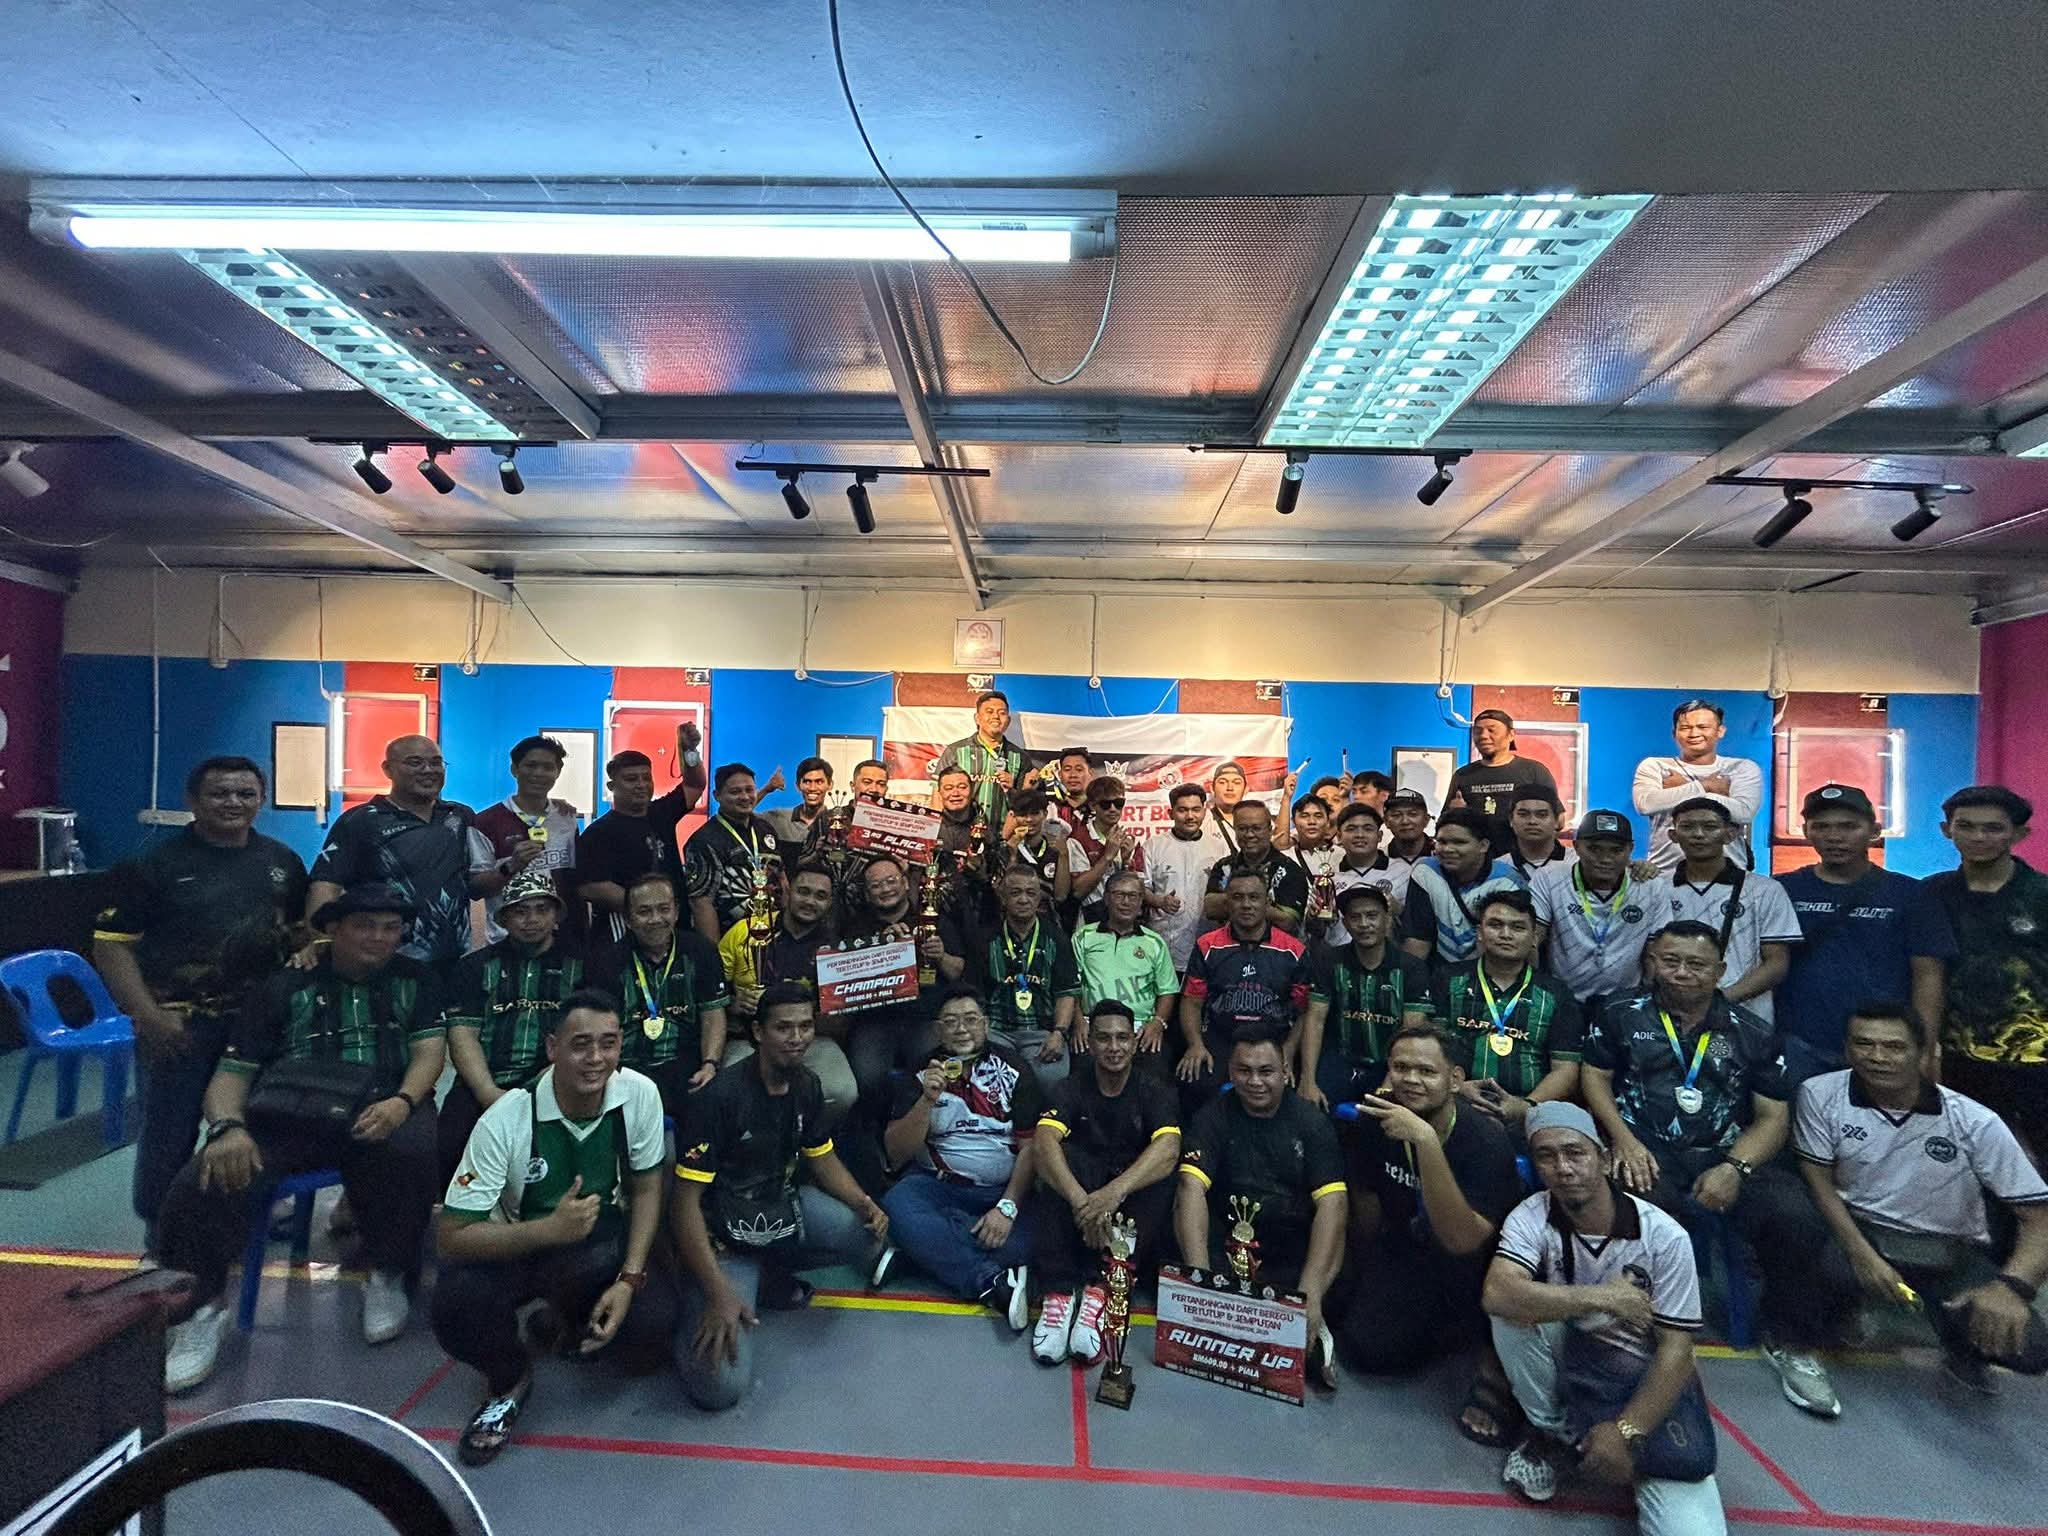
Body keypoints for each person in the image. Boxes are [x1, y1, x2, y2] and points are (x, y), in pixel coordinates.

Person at [158, 885, 445, 1392]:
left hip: (379, 1102)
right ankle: (200, 1309)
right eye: (364, 926)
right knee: (204, 1177)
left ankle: (388, 1270)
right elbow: (232, 1074)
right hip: (289, 1112)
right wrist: (227, 1128)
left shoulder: (417, 980)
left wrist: (402, 1102)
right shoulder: (284, 985)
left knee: (412, 1152)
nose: (379, 938)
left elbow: (428, 1055)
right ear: (332, 930)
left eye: (390, 928)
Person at [1581, 922, 1837, 1419]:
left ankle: (1790, 1340)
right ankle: (1634, 1329)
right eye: (1670, 961)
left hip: (1724, 1154)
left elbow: (1773, 1118)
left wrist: (1735, 1168)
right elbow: (1595, 1077)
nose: (1681, 973)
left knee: (1797, 1216)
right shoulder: (1618, 1013)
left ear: (1719, 971)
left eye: (1696, 964)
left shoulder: (1752, 1032)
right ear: (1653, 963)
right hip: (1646, 1149)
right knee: (1634, 1205)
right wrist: (1622, 1140)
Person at [433, 990, 676, 1466]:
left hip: (599, 1247)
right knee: (455, 1304)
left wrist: (628, 1280)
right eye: (580, 1044)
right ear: (552, 1048)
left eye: (608, 1043)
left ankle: (563, 1321)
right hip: (521, 1246)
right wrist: (548, 1231)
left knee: (653, 1329)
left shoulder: (640, 1094)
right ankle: (509, 1380)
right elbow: (452, 1235)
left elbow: (648, 1189)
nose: (596, 1058)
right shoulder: (507, 1118)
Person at [93, 756, 307, 1246]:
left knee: (255, 1125)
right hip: (181, 1027)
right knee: (169, 1133)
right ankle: (162, 1235)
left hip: (260, 1029)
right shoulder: (153, 865)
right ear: (192, 800)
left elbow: (298, 935)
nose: (233, 802)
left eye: (245, 793)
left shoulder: (282, 862)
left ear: (261, 799)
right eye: (219, 793)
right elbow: (111, 946)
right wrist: (147, 1015)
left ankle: (243, 1217)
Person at [1484, 1102, 1728, 1530]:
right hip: (1574, 1362)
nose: (1563, 1168)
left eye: (1575, 1152)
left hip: (1637, 1378)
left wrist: (1626, 1431)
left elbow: (1677, 1351)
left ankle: (1615, 1444)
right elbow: (1497, 1294)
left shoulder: (1664, 1236)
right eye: (1546, 1156)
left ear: (1604, 1157)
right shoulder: (1532, 1214)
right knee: (1512, 1312)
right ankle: (1553, 1433)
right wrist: (1604, 1298)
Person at [1791, 1003, 2048, 1398]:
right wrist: (1863, 1256)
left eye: (1894, 1047)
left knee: (2031, 1348)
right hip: (1863, 1235)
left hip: (1947, 1253)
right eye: (1864, 1044)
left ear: (1923, 1052)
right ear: (1846, 1049)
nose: (1877, 1057)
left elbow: (2040, 1217)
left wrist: (2012, 1288)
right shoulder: (1820, 1094)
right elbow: (1818, 1181)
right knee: (1819, 1257)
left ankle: (1961, 1343)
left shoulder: (1975, 1122)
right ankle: (1849, 1311)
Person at [671, 984, 891, 1412]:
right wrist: (717, 1291)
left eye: (806, 1026)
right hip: (723, 1239)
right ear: (758, 1032)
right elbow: (684, 1207)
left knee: (868, 1237)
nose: (797, 1037)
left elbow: (821, 1157)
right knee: (720, 1387)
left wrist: (863, 1201)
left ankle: (767, 1274)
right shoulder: (719, 1099)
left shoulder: (807, 1084)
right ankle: (698, 1301)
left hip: (777, 1207)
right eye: (784, 1028)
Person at [1338, 1025, 1526, 1445]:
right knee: (1357, 1340)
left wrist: (1425, 1141)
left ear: (1455, 1080)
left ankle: (1478, 1342)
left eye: (1426, 1071)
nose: (1410, 1079)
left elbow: (1462, 1240)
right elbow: (1365, 1206)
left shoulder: (1485, 1142)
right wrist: (1360, 1275)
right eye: (1400, 1068)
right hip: (1405, 1247)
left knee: (1383, 1350)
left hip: (1468, 1268)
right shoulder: (1375, 1120)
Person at [1176, 1030, 1346, 1385]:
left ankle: (1313, 1322)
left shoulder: (1313, 1124)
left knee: (1333, 1259)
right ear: (1230, 1071)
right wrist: (1198, 1282)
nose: (1254, 1081)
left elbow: (1333, 1205)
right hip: (1228, 1243)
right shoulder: (1211, 1117)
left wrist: (1310, 1293)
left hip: (1290, 1246)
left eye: (1265, 1071)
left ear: (1285, 1071)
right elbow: (1191, 1187)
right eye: (1244, 1071)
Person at [1028, 1000, 1182, 1366]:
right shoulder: (1070, 1087)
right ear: (1091, 1044)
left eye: (1122, 1038)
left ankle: (1101, 1291)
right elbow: (1044, 1140)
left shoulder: (1154, 1089)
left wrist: (1112, 1196)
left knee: (1159, 1175)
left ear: (1134, 1041)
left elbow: (1169, 1148)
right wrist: (1083, 1203)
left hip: (1124, 1199)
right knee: (1053, 1161)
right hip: (1083, 1194)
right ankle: (1059, 1295)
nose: (1114, 1047)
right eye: (1104, 1038)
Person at [882, 985, 1043, 1327]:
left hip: (1001, 1193)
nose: (961, 1029)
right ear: (937, 1030)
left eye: (970, 1019)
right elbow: (896, 1154)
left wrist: (1007, 1208)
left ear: (986, 1024)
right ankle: (991, 1281)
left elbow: (1031, 1147)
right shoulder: (919, 1072)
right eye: (951, 1021)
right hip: (938, 1188)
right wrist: (926, 1100)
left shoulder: (1014, 1068)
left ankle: (921, 1252)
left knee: (1042, 1233)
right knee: (897, 1202)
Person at [1776, 783, 1955, 1084]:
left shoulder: (1911, 894)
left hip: (1883, 1048)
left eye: (1849, 826)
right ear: (1806, 832)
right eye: (1821, 827)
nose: (1834, 837)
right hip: (1799, 1044)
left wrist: (1924, 1049)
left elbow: (1928, 975)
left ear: (1874, 831)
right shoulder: (1781, 890)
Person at [439, 864, 586, 1180]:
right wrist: (489, 1093)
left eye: (542, 909)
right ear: (503, 919)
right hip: (484, 1083)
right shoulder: (473, 967)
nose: (532, 919)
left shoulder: (582, 965)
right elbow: (463, 1036)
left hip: (557, 1080)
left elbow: (587, 1033)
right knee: (448, 1147)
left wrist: (552, 1080)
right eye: (520, 911)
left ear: (556, 916)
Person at [1926, 785, 2048, 1153]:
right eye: (1966, 826)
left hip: (2039, 1060)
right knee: (1968, 1161)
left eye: (1993, 828)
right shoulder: (1931, 895)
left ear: (2019, 833)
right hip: (1959, 1059)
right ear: (1947, 830)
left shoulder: (2042, 895)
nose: (1978, 837)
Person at [306, 734, 495, 972]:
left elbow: (475, 882)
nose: (428, 770)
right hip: (383, 961)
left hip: (453, 961)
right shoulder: (361, 820)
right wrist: (320, 941)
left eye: (436, 763)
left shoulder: (460, 816)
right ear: (387, 769)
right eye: (415, 762)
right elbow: (326, 883)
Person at [717, 862, 857, 1127]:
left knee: (842, 1092)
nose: (810, 901)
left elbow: (840, 1022)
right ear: (787, 890)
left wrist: (814, 1018)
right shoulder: (745, 931)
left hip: (810, 1042)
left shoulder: (836, 950)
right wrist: (733, 1003)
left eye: (820, 896)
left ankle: (807, 1140)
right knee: (731, 1092)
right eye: (803, 891)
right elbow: (710, 992)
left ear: (830, 903)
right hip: (749, 1040)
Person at [1436, 890, 1584, 1130]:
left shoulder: (1556, 993)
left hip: (1529, 1112)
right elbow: (1430, 1048)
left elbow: (1565, 1069)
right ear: (1480, 933)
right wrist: (1457, 1087)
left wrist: (1525, 1106)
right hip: (1454, 1102)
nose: (1506, 934)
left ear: (1534, 937)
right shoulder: (1448, 979)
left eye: (1518, 927)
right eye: (1495, 925)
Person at [588, 872, 730, 1120]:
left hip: (687, 1065)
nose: (655, 919)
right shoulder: (607, 961)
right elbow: (600, 1028)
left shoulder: (700, 951)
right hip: (628, 1069)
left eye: (663, 909)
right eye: (644, 912)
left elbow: (713, 1014)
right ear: (628, 919)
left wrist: (710, 1064)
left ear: (676, 912)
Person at [1660, 797, 1800, 1025]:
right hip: (1670, 1016)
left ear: (1730, 834)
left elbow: (1777, 963)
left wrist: (1720, 1000)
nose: (1698, 834)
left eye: (1710, 827)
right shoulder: (1657, 888)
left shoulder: (1765, 890)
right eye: (1687, 827)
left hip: (1746, 1019)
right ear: (1673, 835)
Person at [1298, 885, 1436, 1110]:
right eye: (1355, 917)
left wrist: (1388, 1086)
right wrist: (1308, 1079)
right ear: (1345, 924)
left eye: (1372, 916)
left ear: (1387, 920)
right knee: (1312, 1108)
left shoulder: (1412, 968)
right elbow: (1315, 1019)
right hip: (1340, 1061)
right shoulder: (1329, 961)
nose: (1364, 924)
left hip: (1390, 1066)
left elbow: (1410, 1033)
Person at [1177, 871, 1311, 1102]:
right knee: (1194, 1080)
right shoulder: (1207, 945)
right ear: (1227, 903)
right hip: (1221, 1038)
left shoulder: (1293, 950)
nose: (1246, 905)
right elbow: (1192, 1002)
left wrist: (1288, 1051)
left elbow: (1303, 1011)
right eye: (1238, 897)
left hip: (1273, 1041)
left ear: (1267, 903)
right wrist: (1195, 1044)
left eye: (1254, 897)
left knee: (1288, 1090)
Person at [945, 863, 1082, 1087]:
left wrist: (1058, 1033)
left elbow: (1066, 993)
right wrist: (981, 1035)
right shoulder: (984, 938)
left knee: (1052, 1080)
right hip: (996, 1033)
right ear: (1003, 897)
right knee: (991, 1082)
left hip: (1041, 1033)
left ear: (1039, 898)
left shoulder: (1056, 938)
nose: (1023, 900)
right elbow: (974, 994)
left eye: (1030, 893)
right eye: (1015, 893)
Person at [1531, 811, 1667, 1019]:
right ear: (1576, 846)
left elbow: (1656, 952)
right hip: (1562, 1000)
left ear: (1630, 850)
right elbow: (1533, 939)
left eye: (1616, 850)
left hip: (1626, 1003)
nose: (1605, 859)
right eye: (1594, 849)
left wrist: (1650, 1006)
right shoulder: (1550, 878)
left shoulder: (1650, 886)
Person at [842, 854, 943, 1110]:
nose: (885, 889)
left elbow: (959, 970)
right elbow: (842, 984)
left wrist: (941, 956)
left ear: (906, 883)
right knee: (867, 1079)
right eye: (876, 885)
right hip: (874, 1021)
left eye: (891, 881)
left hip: (924, 1017)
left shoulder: (931, 919)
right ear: (867, 894)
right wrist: (880, 947)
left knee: (933, 1075)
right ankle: (874, 1131)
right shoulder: (853, 928)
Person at [576, 747, 691, 945]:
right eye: (631, 779)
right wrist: (646, 908)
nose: (641, 785)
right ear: (611, 786)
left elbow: (695, 785)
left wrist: (689, 750)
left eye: (646, 778)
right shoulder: (598, 833)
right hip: (623, 935)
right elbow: (589, 887)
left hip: (675, 928)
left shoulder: (661, 813)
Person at [1633, 700, 1763, 874]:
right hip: (1665, 873)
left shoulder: (1741, 768)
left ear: (1720, 731)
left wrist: (1684, 788)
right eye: (1685, 727)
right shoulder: (1655, 765)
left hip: (1729, 875)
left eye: (1703, 727)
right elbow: (1646, 804)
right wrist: (1705, 786)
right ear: (1674, 733)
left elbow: (1743, 813)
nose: (1694, 733)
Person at [473, 735, 580, 944]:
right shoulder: (486, 822)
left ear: (558, 772)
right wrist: (511, 866)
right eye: (531, 765)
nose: (538, 773)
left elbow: (573, 878)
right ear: (514, 769)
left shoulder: (566, 818)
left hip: (563, 938)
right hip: (507, 940)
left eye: (547, 767)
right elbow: (476, 889)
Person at [1070, 870, 1180, 1072]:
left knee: (1156, 1071)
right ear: (1106, 899)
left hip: (1140, 1029)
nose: (1126, 902)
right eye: (1119, 894)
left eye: (1133, 896)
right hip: (1094, 1026)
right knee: (1082, 1067)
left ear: (1141, 902)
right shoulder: (1083, 937)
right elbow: (1071, 987)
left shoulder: (1154, 942)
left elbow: (1167, 990)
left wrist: (1158, 1023)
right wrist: (1077, 1022)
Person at [1400, 808, 1524, 973]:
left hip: (1494, 972)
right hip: (1438, 974)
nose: (1448, 849)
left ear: (1483, 845)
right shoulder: (1425, 872)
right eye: (1442, 842)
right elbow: (1418, 939)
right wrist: (1406, 980)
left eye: (1459, 842)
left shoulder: (1507, 881)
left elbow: (1514, 944)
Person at [683, 762, 782, 946]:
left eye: (749, 790)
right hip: (729, 942)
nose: (745, 797)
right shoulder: (704, 840)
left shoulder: (766, 829)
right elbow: (701, 903)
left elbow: (782, 879)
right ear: (717, 796)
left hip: (774, 937)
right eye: (735, 792)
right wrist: (714, 955)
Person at [1447, 710, 1557, 855]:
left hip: (1522, 858)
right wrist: (1455, 813)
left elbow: (1558, 819)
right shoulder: (1462, 775)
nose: (1483, 736)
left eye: (1492, 730)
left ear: (1510, 735)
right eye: (1478, 731)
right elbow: (1447, 822)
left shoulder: (1533, 771)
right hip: (1476, 859)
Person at [1144, 783, 1227, 973]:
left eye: (1196, 809)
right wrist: (1159, 901)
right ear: (1170, 813)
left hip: (1208, 943)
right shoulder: (1153, 846)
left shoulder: (1218, 847)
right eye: (1182, 810)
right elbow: (1142, 888)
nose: (1190, 816)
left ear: (1204, 811)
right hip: (1163, 944)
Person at [1201, 801, 1310, 932]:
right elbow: (1211, 909)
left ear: (1270, 830)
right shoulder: (1224, 866)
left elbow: (1287, 922)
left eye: (1256, 828)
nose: (1249, 834)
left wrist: (1232, 899)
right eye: (1242, 828)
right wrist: (1263, 904)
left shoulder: (1290, 870)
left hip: (1274, 944)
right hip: (1228, 944)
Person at [934, 690, 1035, 830]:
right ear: (977, 718)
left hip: (1002, 836)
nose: (996, 717)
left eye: (1002, 713)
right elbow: (937, 794)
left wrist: (1012, 789)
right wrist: (935, 833)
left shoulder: (1020, 757)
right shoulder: (955, 751)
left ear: (1008, 720)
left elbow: (1026, 804)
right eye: (989, 711)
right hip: (959, 833)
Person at [1066, 775, 1147, 927]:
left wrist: (1126, 862)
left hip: (1125, 922)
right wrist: (1107, 857)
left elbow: (1140, 891)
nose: (1113, 809)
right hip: (1090, 921)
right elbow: (1078, 891)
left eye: (1119, 803)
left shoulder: (1129, 840)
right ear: (1092, 806)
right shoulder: (1078, 839)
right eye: (1105, 804)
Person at [1326, 802, 1396, 945]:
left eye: (1368, 829)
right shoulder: (1328, 877)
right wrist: (1315, 919)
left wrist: (1399, 910)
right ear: (1339, 836)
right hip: (1338, 956)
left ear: (1380, 836)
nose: (1359, 835)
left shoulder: (1404, 872)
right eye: (1351, 829)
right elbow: (1318, 930)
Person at [999, 786, 1073, 918]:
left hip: (1048, 919)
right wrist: (1012, 857)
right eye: (1023, 814)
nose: (1029, 819)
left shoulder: (1056, 850)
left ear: (1045, 813)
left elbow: (1061, 896)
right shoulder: (1005, 849)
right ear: (1014, 816)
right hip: (1013, 919)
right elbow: (1004, 895)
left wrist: (1063, 855)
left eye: (1034, 813)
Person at [1289, 793, 1343, 939]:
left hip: (1340, 938)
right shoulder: (1286, 858)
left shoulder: (1344, 856)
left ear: (1328, 821)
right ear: (1293, 821)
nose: (1311, 821)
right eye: (1304, 816)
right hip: (1300, 938)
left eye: (1318, 816)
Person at [762, 756, 834, 863]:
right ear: (798, 785)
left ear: (830, 785)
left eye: (819, 782)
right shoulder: (779, 818)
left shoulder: (836, 823)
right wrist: (766, 789)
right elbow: (742, 816)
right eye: (807, 782)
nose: (812, 788)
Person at [1506, 786, 1575, 881]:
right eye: (1523, 814)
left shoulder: (1578, 862)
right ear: (1511, 820)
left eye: (1542, 815)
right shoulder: (1499, 867)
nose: (1532, 821)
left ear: (1556, 820)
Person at [1382, 788, 1435, 902]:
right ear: (1386, 821)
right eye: (1396, 815)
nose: (1405, 821)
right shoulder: (1378, 860)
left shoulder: (1442, 857)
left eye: (1413, 814)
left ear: (1426, 820)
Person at [1207, 759, 1251, 855]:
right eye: (1222, 782)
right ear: (1212, 789)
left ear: (1246, 790)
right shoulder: (1202, 822)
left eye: (1237, 783)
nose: (1230, 788)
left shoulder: (1256, 821)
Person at [1045, 746, 1093, 825]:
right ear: (1060, 775)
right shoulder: (1049, 809)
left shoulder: (1101, 809)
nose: (1073, 775)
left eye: (1079, 770)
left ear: (1091, 773)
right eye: (1067, 769)